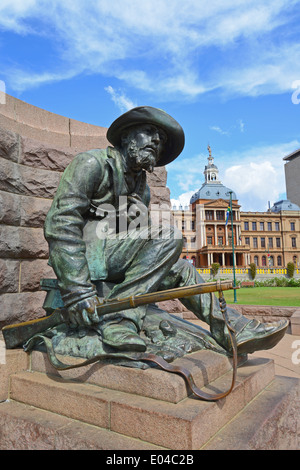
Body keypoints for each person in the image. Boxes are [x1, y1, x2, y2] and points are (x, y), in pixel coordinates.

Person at [44, 106, 288, 355]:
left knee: (184, 268)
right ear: (127, 136)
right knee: (170, 235)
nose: (156, 141)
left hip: (117, 256)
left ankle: (233, 329)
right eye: (149, 132)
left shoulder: (142, 187)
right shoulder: (91, 163)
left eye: (160, 140)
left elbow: (141, 240)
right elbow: (61, 223)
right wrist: (78, 291)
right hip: (91, 255)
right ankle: (121, 320)